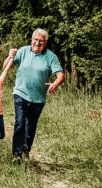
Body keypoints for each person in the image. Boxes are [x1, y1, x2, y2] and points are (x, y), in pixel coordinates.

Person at [10, 28, 65, 161]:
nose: (37, 43)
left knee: (31, 125)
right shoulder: (23, 51)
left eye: (41, 41)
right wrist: (10, 56)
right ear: (32, 40)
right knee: (19, 122)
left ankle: (26, 149)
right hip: (20, 93)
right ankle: (17, 154)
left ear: (45, 42)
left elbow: (60, 75)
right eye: (35, 40)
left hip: (38, 98)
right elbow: (8, 66)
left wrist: (55, 84)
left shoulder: (50, 57)